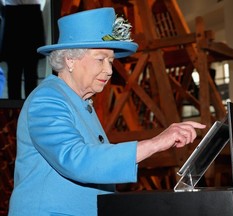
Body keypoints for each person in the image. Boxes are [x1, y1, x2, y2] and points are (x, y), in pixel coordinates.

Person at [8, 7, 206, 216]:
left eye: (111, 61)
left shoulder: (79, 102)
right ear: (70, 60)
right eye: (100, 59)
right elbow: (76, 159)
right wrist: (155, 143)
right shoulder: (47, 99)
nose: (109, 70)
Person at [1, 0, 45, 99]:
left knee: (29, 70)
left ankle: (26, 108)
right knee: (15, 70)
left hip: (29, 13)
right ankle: (14, 109)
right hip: (16, 13)